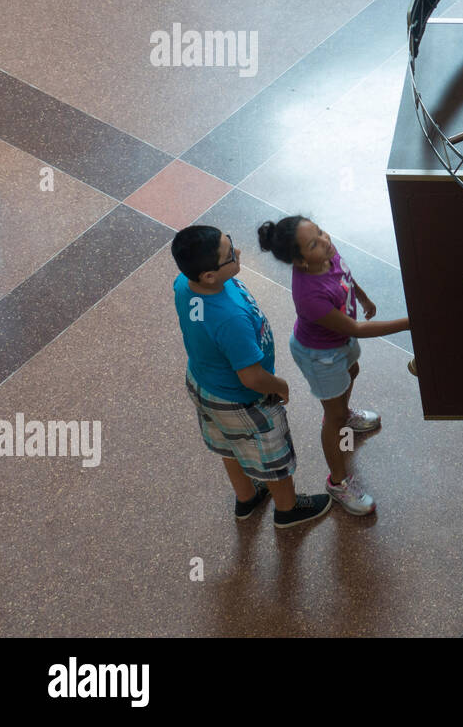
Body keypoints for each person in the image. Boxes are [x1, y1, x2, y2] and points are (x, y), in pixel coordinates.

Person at [171, 226, 331, 529]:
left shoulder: (184, 283)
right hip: (241, 400)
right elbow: (251, 377)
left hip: (204, 384)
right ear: (209, 276)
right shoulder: (229, 319)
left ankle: (246, 497)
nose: (239, 252)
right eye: (230, 254)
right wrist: (280, 386)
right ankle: (288, 509)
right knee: (274, 458)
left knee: (228, 445)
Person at [258, 217, 409, 516]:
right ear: (300, 261)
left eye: (320, 231)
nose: (325, 241)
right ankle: (337, 482)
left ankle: (344, 413)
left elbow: (346, 277)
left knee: (353, 372)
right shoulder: (308, 295)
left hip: (339, 345)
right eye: (314, 243)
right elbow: (356, 329)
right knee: (333, 417)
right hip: (320, 355)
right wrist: (410, 323)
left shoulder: (327, 253)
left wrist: (363, 297)